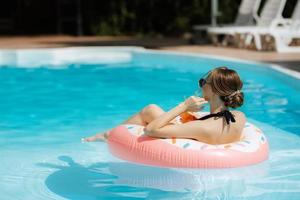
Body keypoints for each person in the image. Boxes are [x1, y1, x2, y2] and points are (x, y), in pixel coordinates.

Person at [83, 66, 246, 145]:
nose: (200, 85)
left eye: (203, 82)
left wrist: (183, 106)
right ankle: (105, 135)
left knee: (149, 110)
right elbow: (212, 124)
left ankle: (107, 136)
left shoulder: (203, 127)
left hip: (194, 158)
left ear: (215, 90)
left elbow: (151, 130)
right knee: (153, 109)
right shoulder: (239, 117)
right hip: (206, 137)